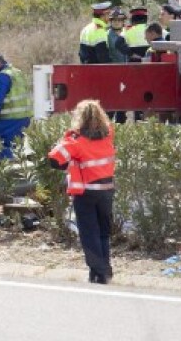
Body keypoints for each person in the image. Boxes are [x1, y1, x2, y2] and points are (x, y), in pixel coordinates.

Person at [47, 100, 115, 284]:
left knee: (89, 233)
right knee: (103, 232)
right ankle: (102, 270)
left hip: (86, 193)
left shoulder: (75, 141)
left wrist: (67, 140)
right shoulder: (108, 134)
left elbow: (54, 159)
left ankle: (99, 271)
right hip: (107, 190)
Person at [0, 53, 30, 160]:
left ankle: (5, 174)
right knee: (16, 148)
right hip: (24, 118)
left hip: (9, 120)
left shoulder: (2, 76)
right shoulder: (17, 73)